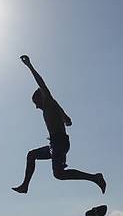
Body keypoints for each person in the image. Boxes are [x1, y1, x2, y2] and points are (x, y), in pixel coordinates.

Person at [12, 55, 106, 195]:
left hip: (59, 142)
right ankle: (25, 185)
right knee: (32, 155)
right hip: (55, 144)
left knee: (59, 174)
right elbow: (69, 121)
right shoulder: (53, 106)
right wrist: (64, 117)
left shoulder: (49, 103)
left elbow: (41, 84)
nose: (36, 107)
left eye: (36, 103)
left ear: (41, 98)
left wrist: (29, 66)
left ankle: (95, 177)